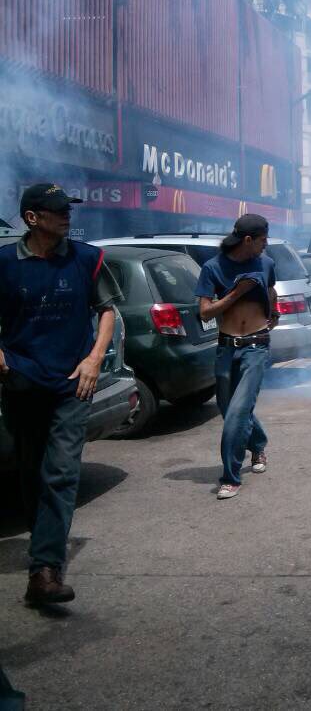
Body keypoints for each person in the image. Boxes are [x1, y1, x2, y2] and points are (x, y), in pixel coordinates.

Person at [0, 183, 122, 605]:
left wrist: (94, 358)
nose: (67, 216)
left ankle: (44, 571)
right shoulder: (3, 263)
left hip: (74, 382)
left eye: (67, 209)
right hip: (22, 382)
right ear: (33, 218)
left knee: (62, 473)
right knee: (32, 474)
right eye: (57, 210)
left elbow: (107, 310)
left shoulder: (86, 258)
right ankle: (44, 547)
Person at [194, 214, 279, 500]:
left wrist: (274, 316)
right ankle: (258, 445)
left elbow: (271, 292)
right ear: (247, 240)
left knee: (238, 412)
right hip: (226, 346)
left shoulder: (266, 264)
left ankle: (230, 477)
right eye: (262, 241)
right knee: (227, 406)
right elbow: (205, 312)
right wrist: (236, 293)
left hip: (256, 346)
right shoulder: (213, 268)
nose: (265, 246)